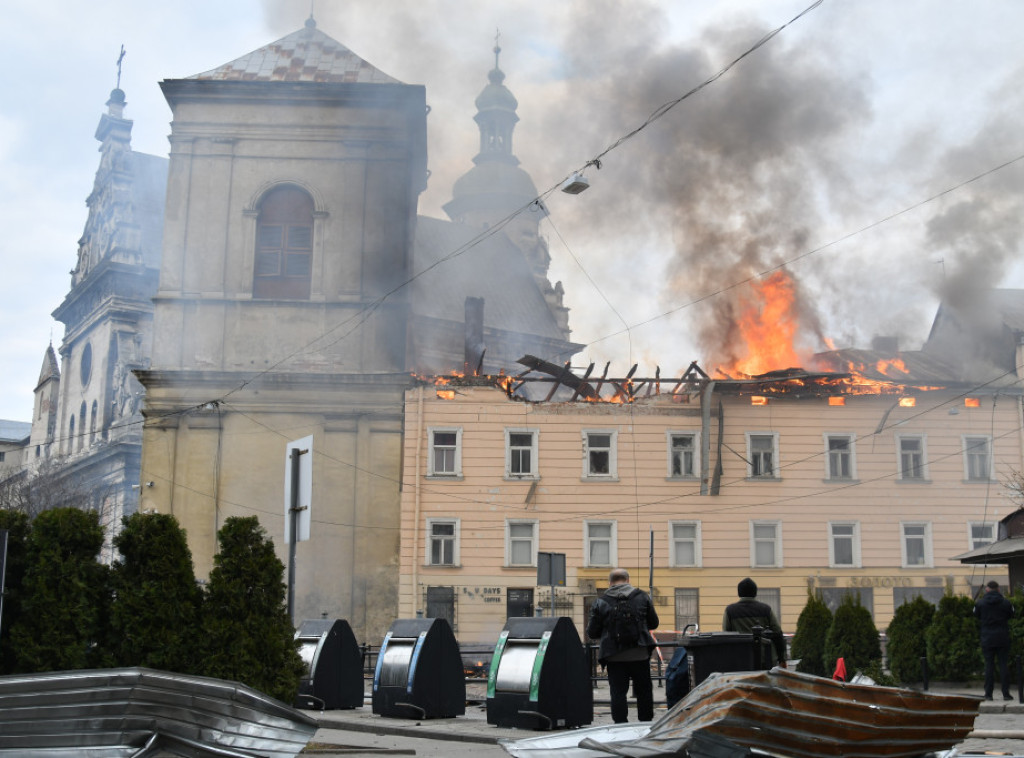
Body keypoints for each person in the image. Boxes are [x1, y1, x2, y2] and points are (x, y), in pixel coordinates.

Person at [586, 568, 660, 723]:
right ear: (628, 580)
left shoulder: (601, 601)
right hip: (640, 653)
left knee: (618, 692)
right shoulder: (642, 597)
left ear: (610, 582)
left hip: (614, 656)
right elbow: (654, 623)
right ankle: (645, 723)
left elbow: (592, 632)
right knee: (644, 690)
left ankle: (620, 725)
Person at [722, 578, 787, 668]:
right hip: (766, 659)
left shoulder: (730, 610)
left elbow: (726, 635)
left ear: (739, 593)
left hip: (741, 659)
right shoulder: (766, 609)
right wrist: (782, 659)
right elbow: (777, 632)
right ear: (755, 592)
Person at [974, 579, 1015, 701]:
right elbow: (1012, 614)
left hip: (987, 637)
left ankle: (988, 694)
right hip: (1002, 637)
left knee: (989, 666)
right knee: (1003, 665)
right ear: (998, 589)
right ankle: (1006, 694)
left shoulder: (980, 603)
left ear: (987, 590)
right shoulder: (1006, 603)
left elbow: (976, 615)